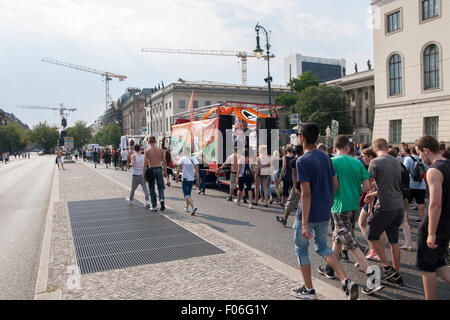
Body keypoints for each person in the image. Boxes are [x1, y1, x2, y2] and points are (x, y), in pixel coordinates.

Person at [291, 123, 359, 300]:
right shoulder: (325, 157)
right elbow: (335, 184)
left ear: (302, 137)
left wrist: (305, 224)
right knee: (323, 247)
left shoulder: (302, 160)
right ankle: (346, 281)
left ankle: (309, 289)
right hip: (324, 211)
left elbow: (305, 194)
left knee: (301, 249)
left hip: (307, 213)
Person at [317, 135, 384, 295]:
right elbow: (367, 186)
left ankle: (371, 274)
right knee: (339, 236)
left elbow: (326, 185)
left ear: (335, 148)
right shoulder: (357, 162)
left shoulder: (331, 162)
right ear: (347, 147)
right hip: (354, 205)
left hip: (338, 205)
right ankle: (329, 268)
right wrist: (354, 190)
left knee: (349, 241)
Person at [364, 138, 405, 286]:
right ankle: (396, 273)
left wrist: (369, 192)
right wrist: (374, 194)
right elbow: (391, 185)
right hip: (398, 206)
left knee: (370, 233)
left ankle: (387, 267)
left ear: (374, 150)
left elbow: (368, 184)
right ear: (387, 147)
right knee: (394, 241)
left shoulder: (375, 162)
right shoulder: (396, 161)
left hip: (385, 206)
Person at [414, 135, 450, 300]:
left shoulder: (434, 170)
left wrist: (431, 233)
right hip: (446, 223)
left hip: (435, 223)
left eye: (420, 154)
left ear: (425, 150)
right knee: (440, 264)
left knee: (427, 268)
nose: (420, 158)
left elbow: (435, 204)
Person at [276, 144, 303, 226]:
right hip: (307, 184)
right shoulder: (306, 159)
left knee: (290, 202)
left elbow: (294, 175)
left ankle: (285, 219)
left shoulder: (294, 161)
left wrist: (294, 187)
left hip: (298, 185)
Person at [143, 136, 167, 212]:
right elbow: (164, 161)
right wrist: (165, 171)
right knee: (160, 187)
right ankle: (162, 199)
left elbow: (145, 163)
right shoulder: (160, 150)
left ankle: (154, 206)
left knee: (151, 188)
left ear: (149, 142)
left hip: (151, 169)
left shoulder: (147, 151)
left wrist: (143, 174)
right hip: (159, 168)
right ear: (155, 141)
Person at [176, 147, 200, 215]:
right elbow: (197, 171)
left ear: (184, 151)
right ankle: (186, 207)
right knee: (188, 194)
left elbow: (178, 169)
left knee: (186, 194)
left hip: (185, 179)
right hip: (192, 179)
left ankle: (193, 206)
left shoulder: (182, 159)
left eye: (183, 151)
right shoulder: (194, 159)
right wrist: (198, 180)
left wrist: (177, 177)